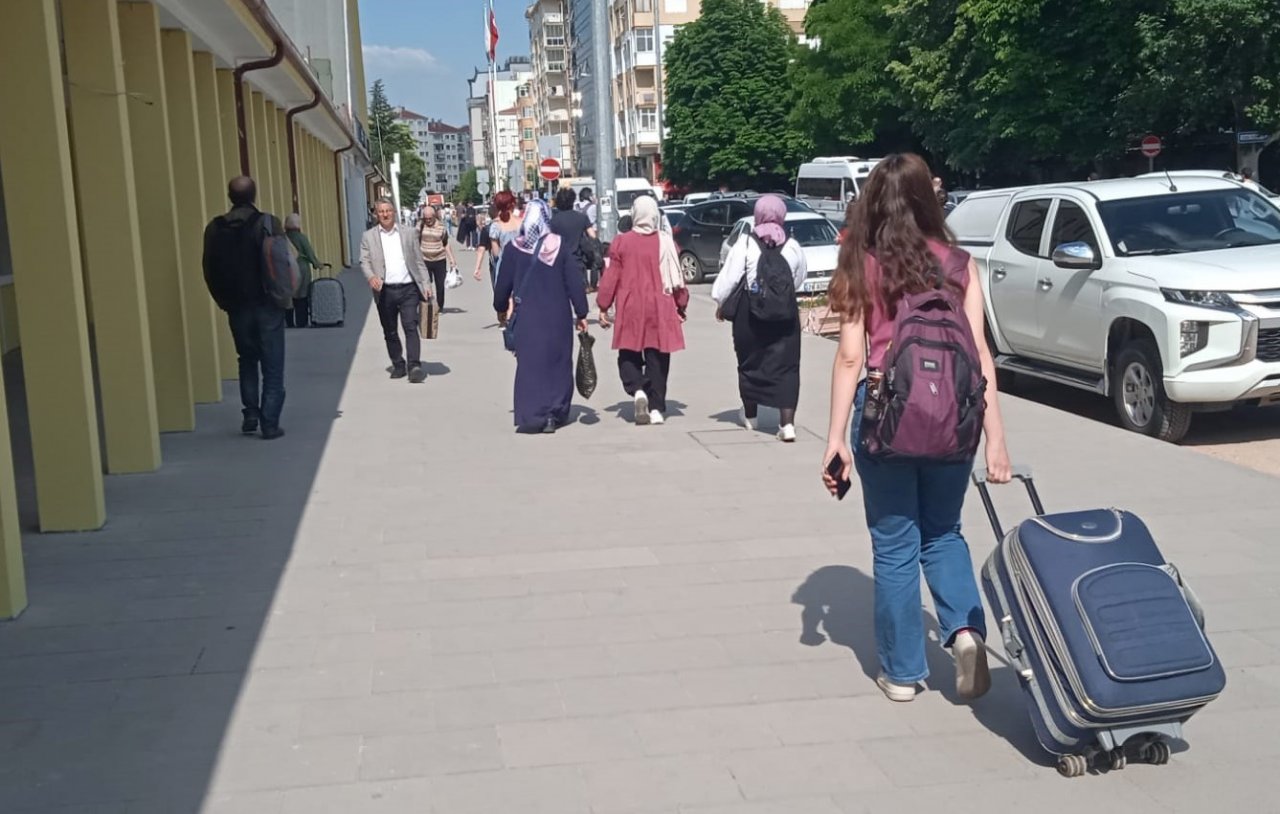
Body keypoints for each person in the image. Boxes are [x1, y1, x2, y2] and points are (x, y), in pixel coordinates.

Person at [820, 153, 1012, 704]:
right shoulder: (960, 265)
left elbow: (851, 357)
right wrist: (996, 439)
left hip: (886, 417)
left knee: (895, 544)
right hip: (955, 417)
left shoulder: (863, 264)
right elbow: (980, 356)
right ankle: (965, 632)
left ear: (875, 204)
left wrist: (835, 439)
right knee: (944, 532)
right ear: (929, 198)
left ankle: (903, 674)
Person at [711, 194, 808, 442]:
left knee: (749, 362)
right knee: (788, 367)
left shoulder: (745, 244)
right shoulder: (793, 246)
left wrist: (719, 302)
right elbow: (799, 279)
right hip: (785, 316)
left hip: (749, 314)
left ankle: (751, 416)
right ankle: (787, 425)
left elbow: (729, 279)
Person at [492, 199, 590, 433]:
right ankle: (554, 413)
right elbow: (574, 282)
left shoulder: (514, 248)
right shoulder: (559, 246)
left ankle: (534, 413)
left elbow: (502, 285)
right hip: (558, 316)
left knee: (530, 364)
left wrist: (500, 307)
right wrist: (582, 313)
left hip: (527, 317)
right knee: (558, 362)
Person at [201, 176, 288, 440]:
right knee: (272, 365)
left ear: (230, 196)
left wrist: (223, 300)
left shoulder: (214, 228)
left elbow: (208, 269)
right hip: (267, 304)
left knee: (247, 360)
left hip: (236, 306)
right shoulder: (268, 223)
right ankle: (269, 423)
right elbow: (281, 262)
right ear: (254, 195)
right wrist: (284, 298)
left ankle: (250, 414)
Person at [597, 196, 689, 425]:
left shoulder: (621, 242)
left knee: (628, 352)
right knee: (658, 356)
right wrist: (681, 304)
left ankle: (638, 389)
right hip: (660, 305)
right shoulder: (666, 242)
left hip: (631, 306)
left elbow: (611, 277)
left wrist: (603, 305)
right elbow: (677, 277)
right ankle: (656, 409)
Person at [360, 198, 433, 384]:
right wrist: (371, 277)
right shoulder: (369, 237)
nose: (385, 214)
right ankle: (398, 364)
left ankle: (414, 366)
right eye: (381, 211)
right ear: (376, 214)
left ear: (394, 212)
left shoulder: (409, 233)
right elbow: (364, 261)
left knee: (410, 326)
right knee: (390, 330)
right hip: (385, 291)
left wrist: (426, 284)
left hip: (408, 288)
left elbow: (418, 260)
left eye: (388, 211)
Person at [550, 186, 599, 289]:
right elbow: (592, 236)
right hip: (577, 261)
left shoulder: (553, 221)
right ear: (572, 201)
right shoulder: (582, 218)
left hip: (559, 261)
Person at [284, 213, 324, 329]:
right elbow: (309, 253)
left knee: (289, 297)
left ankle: (289, 322)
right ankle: (301, 321)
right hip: (301, 268)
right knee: (302, 295)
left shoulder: (282, 237)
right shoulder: (301, 238)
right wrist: (317, 264)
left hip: (286, 269)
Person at [475, 190, 522, 286]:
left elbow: (496, 253)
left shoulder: (495, 226)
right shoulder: (523, 222)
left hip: (504, 268)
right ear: (512, 204)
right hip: (522, 267)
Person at [418, 205, 458, 310]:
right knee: (425, 284)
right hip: (425, 260)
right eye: (426, 218)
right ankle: (427, 304)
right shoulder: (420, 226)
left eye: (430, 218)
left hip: (439, 259)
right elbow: (415, 241)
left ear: (434, 216)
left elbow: (446, 244)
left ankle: (440, 306)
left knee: (440, 285)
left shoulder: (441, 227)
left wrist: (452, 259)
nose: (428, 220)